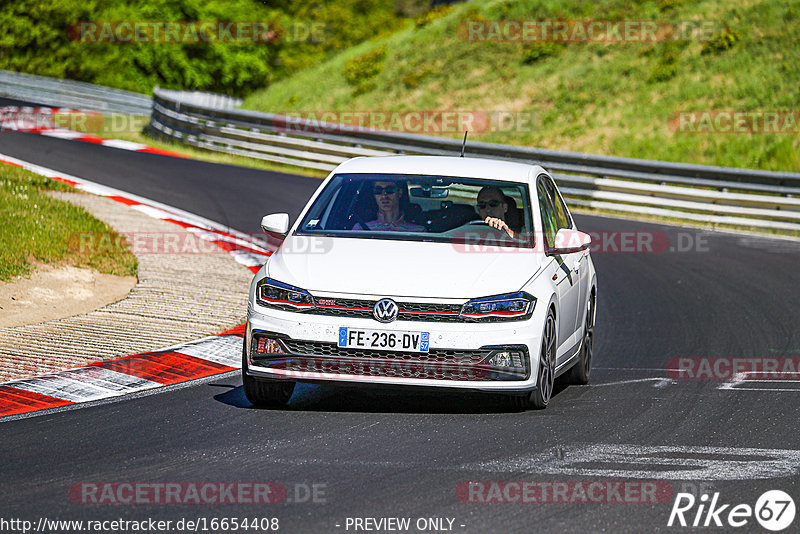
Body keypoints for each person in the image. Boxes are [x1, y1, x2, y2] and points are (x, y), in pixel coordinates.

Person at [356, 181, 425, 232]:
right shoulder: (360, 229)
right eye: (378, 191)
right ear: (374, 195)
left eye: (390, 190)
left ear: (400, 193)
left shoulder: (418, 231)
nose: (384, 196)